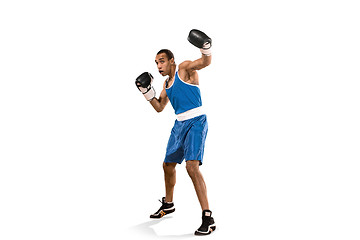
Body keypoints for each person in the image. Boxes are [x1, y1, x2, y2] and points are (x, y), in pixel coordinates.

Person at [135, 29, 215, 236]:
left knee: (191, 167)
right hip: (179, 125)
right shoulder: (166, 84)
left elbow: (205, 63)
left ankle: (208, 216)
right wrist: (147, 92)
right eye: (156, 63)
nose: (159, 66)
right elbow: (160, 107)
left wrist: (205, 47)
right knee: (167, 164)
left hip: (196, 122)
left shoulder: (184, 69)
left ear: (172, 60)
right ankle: (168, 204)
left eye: (162, 61)